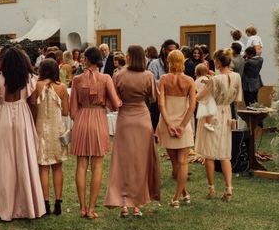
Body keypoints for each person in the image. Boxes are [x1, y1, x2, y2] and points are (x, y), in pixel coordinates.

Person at [0, 46, 45, 221]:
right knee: (25, 160)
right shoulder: (29, 79)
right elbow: (33, 103)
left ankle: (7, 209)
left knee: (4, 163)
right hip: (23, 117)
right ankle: (27, 205)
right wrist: (32, 123)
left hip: (3, 116)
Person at [104, 45, 160, 217]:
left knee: (123, 161)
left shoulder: (119, 75)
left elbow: (113, 99)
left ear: (129, 57)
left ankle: (123, 204)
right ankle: (137, 204)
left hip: (125, 119)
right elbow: (153, 96)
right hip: (142, 119)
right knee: (141, 161)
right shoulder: (148, 75)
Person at [70, 46, 122, 219]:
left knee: (81, 165)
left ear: (86, 59)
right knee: (97, 165)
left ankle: (82, 207)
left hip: (82, 119)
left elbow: (72, 111)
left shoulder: (77, 80)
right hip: (98, 118)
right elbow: (115, 104)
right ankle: (92, 208)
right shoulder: (106, 78)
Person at [195, 49, 243, 202]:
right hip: (227, 113)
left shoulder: (215, 79)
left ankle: (211, 189)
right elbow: (238, 98)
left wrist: (205, 85)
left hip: (213, 113)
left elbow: (199, 97)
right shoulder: (236, 76)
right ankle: (228, 188)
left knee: (209, 154)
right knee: (224, 154)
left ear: (218, 62)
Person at [156, 50, 196, 208]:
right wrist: (182, 126)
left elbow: (161, 104)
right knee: (182, 162)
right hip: (183, 124)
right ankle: (183, 194)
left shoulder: (164, 79)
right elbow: (192, 105)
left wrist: (169, 124)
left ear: (168, 62)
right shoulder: (190, 80)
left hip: (168, 123)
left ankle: (177, 197)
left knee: (175, 163)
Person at [34, 58, 70, 216]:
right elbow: (66, 111)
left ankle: (45, 203)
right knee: (57, 167)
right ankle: (59, 201)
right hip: (57, 129)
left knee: (43, 167)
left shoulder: (36, 85)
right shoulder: (62, 87)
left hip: (41, 129)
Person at [195, 64, 217, 132]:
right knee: (209, 114)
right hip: (206, 99)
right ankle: (208, 124)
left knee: (200, 118)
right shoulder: (206, 79)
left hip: (199, 100)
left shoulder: (196, 81)